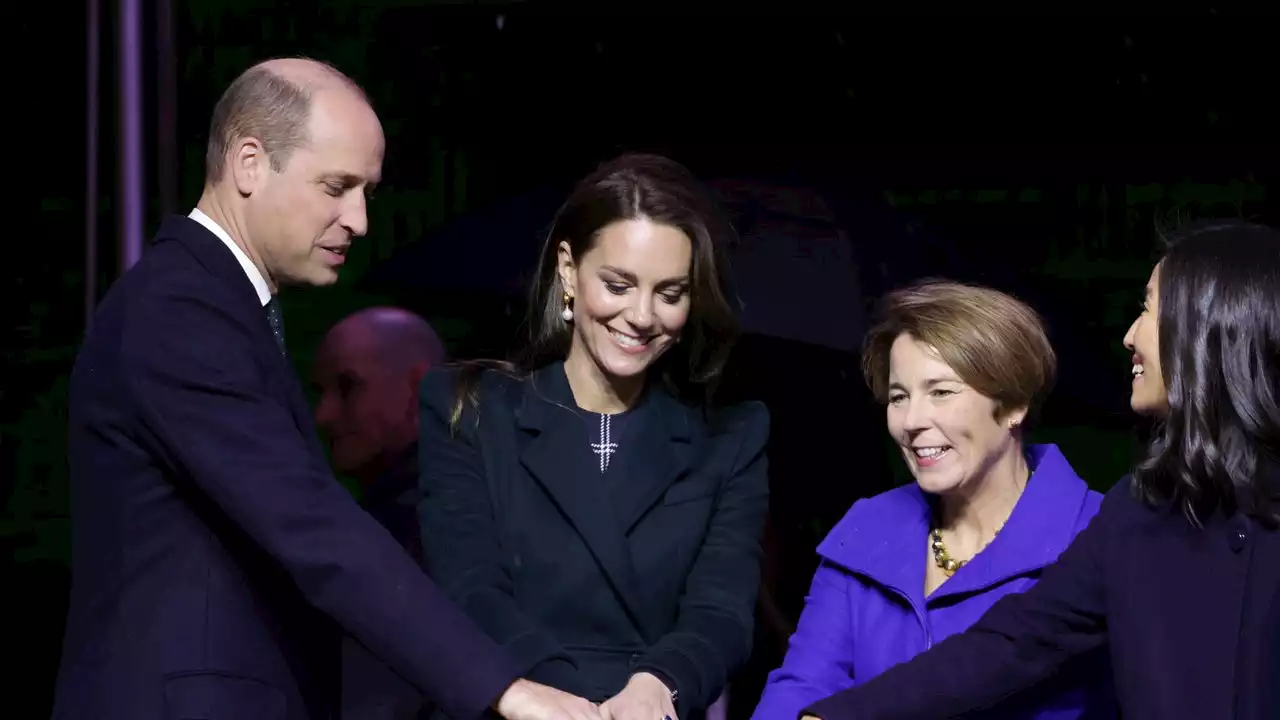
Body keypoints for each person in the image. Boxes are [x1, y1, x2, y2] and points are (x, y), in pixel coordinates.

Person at [54, 57, 599, 720]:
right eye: (337, 186)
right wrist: (504, 688)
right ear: (249, 162)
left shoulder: (207, 306)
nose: (360, 220)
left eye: (366, 191)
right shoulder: (179, 310)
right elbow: (312, 526)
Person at [801, 220, 1280, 720]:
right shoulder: (1137, 513)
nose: (1129, 336)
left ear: (1214, 327)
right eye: (899, 397)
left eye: (1148, 308)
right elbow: (1014, 641)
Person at [417, 153, 771, 720]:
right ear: (567, 269)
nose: (642, 314)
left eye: (670, 293)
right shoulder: (471, 410)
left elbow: (722, 610)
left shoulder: (729, 435)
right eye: (618, 283)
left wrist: (660, 684)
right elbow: (468, 588)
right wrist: (556, 698)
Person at [751, 280, 1114, 720]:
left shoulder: (1099, 534)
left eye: (941, 392)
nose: (912, 421)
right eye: (899, 397)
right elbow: (804, 684)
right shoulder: (868, 530)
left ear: (1015, 403)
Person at [312, 306, 447, 720]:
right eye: (321, 392)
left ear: (418, 390)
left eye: (348, 387)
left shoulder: (434, 525)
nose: (324, 415)